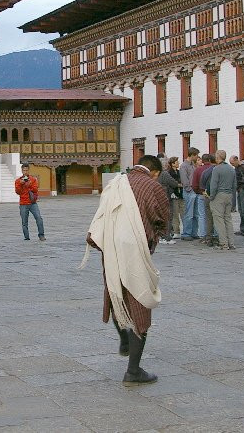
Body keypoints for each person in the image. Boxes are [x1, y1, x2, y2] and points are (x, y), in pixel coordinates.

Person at [83, 155, 169, 384]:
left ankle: (123, 336)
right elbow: (164, 219)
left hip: (111, 250)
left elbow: (100, 218)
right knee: (140, 304)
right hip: (135, 252)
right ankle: (133, 371)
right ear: (154, 172)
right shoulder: (153, 186)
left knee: (116, 293)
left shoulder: (115, 184)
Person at [207, 150, 237, 250]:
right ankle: (231, 242)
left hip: (219, 195)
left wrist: (211, 197)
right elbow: (234, 185)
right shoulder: (231, 169)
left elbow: (214, 185)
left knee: (219, 220)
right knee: (228, 219)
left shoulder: (216, 169)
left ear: (218, 157)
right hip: (229, 194)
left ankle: (223, 243)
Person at [15, 163, 45, 241]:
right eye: (24, 170)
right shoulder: (18, 181)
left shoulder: (33, 179)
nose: (25, 172)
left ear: (29, 170)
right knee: (24, 222)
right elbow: (18, 192)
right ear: (22, 170)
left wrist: (29, 184)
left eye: (26, 170)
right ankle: (26, 237)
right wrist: (21, 184)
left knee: (39, 218)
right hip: (23, 204)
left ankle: (41, 235)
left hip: (32, 203)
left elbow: (35, 190)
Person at [192, 154, 216, 245]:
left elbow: (194, 184)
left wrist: (198, 191)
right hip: (213, 195)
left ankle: (203, 234)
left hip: (202, 194)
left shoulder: (198, 170)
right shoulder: (214, 169)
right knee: (214, 215)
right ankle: (215, 233)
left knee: (202, 216)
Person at [157, 157, 182, 242]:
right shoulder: (164, 174)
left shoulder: (156, 174)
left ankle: (160, 235)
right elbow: (173, 183)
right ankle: (166, 236)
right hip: (166, 196)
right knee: (168, 216)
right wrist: (178, 184)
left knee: (160, 216)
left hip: (158, 197)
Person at [179, 148, 201, 240]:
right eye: (196, 155)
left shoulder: (193, 165)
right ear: (192, 155)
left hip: (195, 190)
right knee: (189, 213)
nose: (197, 157)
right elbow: (184, 179)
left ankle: (194, 232)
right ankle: (186, 233)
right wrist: (189, 189)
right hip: (189, 191)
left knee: (196, 213)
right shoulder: (184, 166)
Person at [232, 155, 244, 236]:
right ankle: (243, 228)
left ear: (236, 160)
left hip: (243, 190)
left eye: (232, 163)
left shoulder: (243, 167)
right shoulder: (237, 168)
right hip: (239, 190)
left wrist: (242, 187)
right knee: (241, 210)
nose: (232, 165)